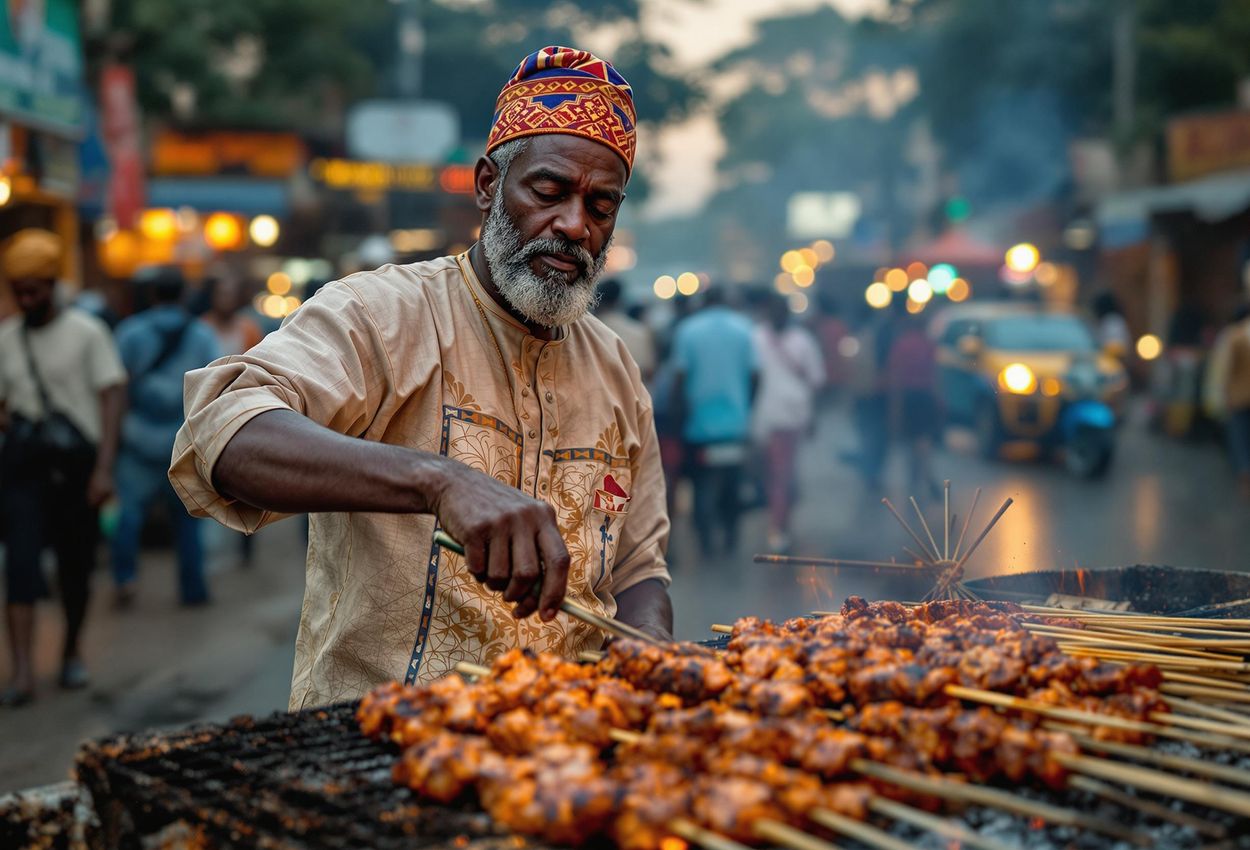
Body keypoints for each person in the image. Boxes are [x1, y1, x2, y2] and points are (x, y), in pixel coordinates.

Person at [169, 46, 672, 708]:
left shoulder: (615, 370)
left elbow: (639, 566)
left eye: (600, 206)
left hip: (558, 765)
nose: (573, 226)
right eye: (548, 192)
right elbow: (221, 436)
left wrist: (654, 654)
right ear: (488, 184)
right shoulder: (382, 314)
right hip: (377, 754)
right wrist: (440, 482)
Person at [0, 229, 126, 705]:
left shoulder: (87, 333)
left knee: (75, 570)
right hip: (23, 470)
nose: (27, 298)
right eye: (19, 290)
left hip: (77, 467)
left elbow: (112, 396)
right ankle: (24, 672)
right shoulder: (6, 339)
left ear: (53, 285)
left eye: (35, 289)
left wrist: (104, 470)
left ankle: (72, 649)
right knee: (22, 565)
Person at [112, 266, 222, 607]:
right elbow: (213, 389)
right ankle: (192, 588)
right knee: (188, 521)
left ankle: (125, 579)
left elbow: (118, 387)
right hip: (182, 441)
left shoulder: (130, 332)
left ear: (154, 294)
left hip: (137, 439)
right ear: (183, 295)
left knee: (128, 515)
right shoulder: (202, 334)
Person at [671, 287, 757, 558]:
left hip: (699, 425)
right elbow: (756, 375)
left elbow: (679, 377)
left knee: (700, 485)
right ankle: (731, 535)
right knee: (733, 482)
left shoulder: (688, 330)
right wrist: (747, 406)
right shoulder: (744, 329)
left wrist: (678, 414)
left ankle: (705, 540)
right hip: (735, 424)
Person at [752, 293, 824, 553]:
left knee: (778, 473)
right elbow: (816, 381)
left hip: (774, 416)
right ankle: (781, 519)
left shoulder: (757, 338)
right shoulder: (802, 341)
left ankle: (778, 525)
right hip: (787, 414)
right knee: (782, 472)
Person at [884, 302, 941, 499]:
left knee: (911, 443)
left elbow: (896, 377)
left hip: (907, 397)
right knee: (923, 440)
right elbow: (935, 375)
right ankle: (924, 477)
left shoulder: (901, 345)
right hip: (924, 396)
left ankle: (919, 478)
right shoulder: (928, 344)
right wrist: (938, 399)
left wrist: (894, 407)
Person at [595, 277, 656, 380]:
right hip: (633, 393)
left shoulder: (583, 331)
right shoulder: (639, 331)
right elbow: (649, 371)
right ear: (619, 300)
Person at [1220, 305, 1250, 500]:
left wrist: (1225, 394)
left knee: (1240, 440)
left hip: (1240, 397)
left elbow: (1226, 368)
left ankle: (1245, 482)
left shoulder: (1236, 337)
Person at [201, 266, 263, 357]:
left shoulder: (250, 329)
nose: (226, 300)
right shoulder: (202, 327)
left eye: (230, 295)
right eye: (222, 294)